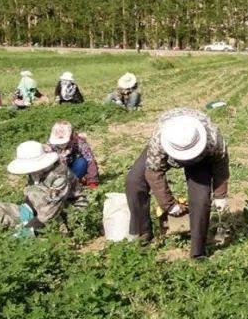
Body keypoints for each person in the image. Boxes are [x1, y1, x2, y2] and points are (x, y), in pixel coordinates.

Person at [124, 108, 229, 256]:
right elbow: (153, 172)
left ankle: (198, 252)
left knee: (201, 198)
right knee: (134, 181)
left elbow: (220, 165)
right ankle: (143, 234)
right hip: (166, 150)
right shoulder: (159, 139)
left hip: (200, 157)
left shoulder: (213, 138)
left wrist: (220, 195)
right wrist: (169, 205)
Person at [46, 120, 100, 187]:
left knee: (82, 162)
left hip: (74, 169)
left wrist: (93, 182)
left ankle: (72, 183)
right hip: (58, 172)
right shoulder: (51, 145)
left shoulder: (79, 142)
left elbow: (90, 160)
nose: (61, 144)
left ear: (71, 136)